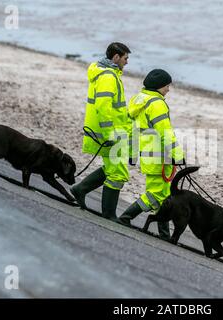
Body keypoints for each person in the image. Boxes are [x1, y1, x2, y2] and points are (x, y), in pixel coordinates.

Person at [118, 69, 184, 239]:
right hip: (159, 157)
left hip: (147, 154)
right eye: (167, 85)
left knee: (162, 196)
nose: (168, 89)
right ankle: (126, 217)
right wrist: (177, 155)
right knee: (155, 194)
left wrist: (132, 153)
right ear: (159, 86)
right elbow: (165, 133)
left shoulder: (138, 100)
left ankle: (164, 234)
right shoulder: (157, 104)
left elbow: (131, 130)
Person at [70, 42, 131, 221]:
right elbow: (103, 107)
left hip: (113, 131)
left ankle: (80, 189)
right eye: (125, 58)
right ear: (116, 57)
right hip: (110, 133)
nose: (127, 63)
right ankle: (109, 214)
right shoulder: (108, 77)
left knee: (112, 168)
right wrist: (109, 134)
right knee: (117, 173)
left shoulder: (107, 73)